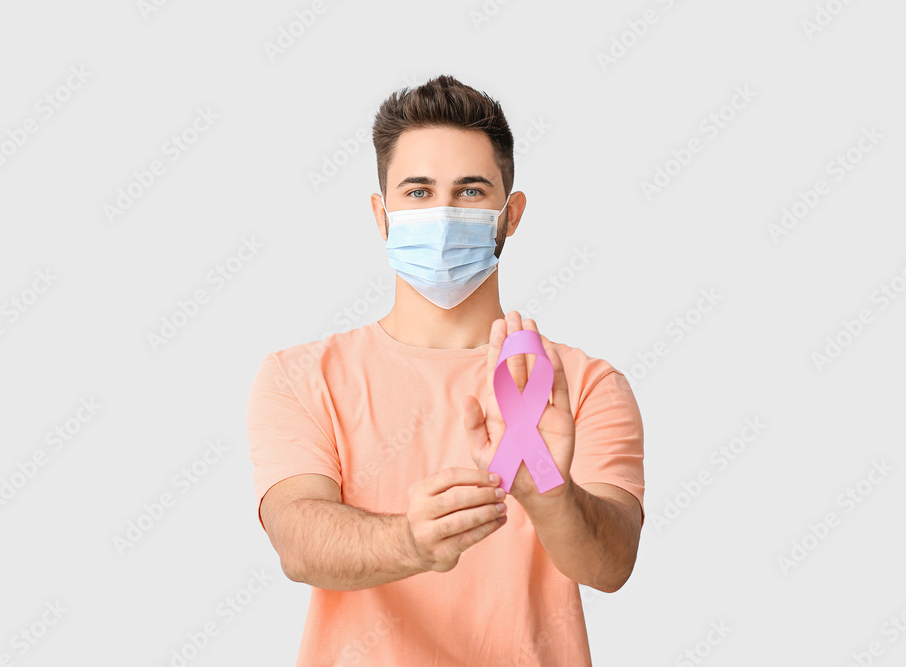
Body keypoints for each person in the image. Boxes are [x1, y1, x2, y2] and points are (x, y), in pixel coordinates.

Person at [246, 74, 645, 666]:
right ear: (381, 214)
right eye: (417, 192)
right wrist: (410, 540)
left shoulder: (582, 386)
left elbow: (611, 566)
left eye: (469, 191)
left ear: (511, 214)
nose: (441, 213)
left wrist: (547, 490)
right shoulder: (300, 376)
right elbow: (298, 542)